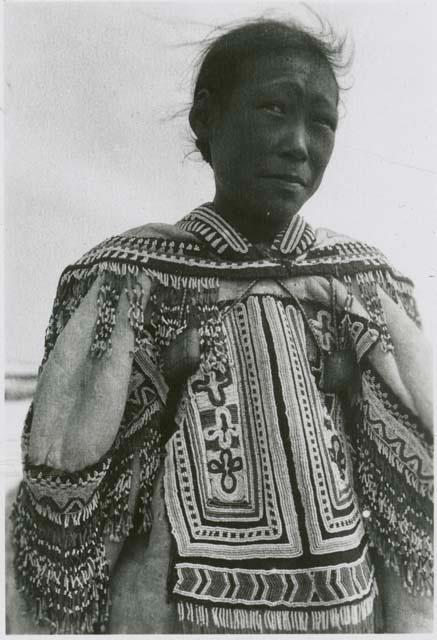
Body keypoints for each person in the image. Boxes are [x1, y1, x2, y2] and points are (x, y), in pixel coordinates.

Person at [11, 18, 433, 634]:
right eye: (273, 107)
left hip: (348, 616)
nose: (299, 144)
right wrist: (162, 377)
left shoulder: (367, 288)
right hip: (165, 613)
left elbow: (414, 520)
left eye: (323, 121)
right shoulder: (125, 280)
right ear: (206, 119)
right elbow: (65, 488)